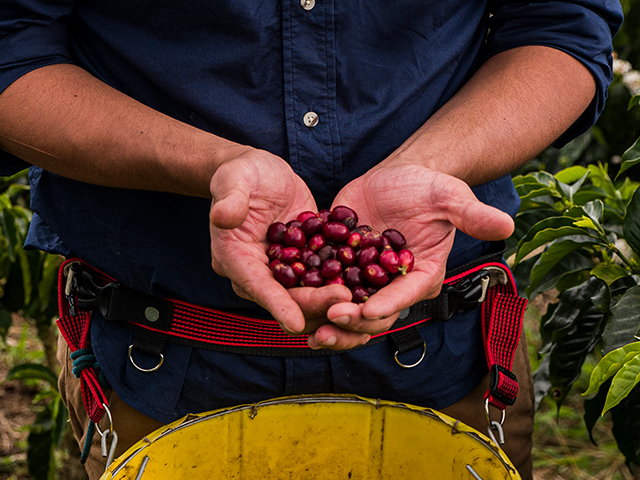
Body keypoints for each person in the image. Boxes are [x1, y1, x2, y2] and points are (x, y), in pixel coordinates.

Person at [0, 1, 623, 479]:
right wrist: (211, 164)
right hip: (153, 360)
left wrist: (435, 162)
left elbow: (561, 25)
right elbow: (13, 51)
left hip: (448, 355)